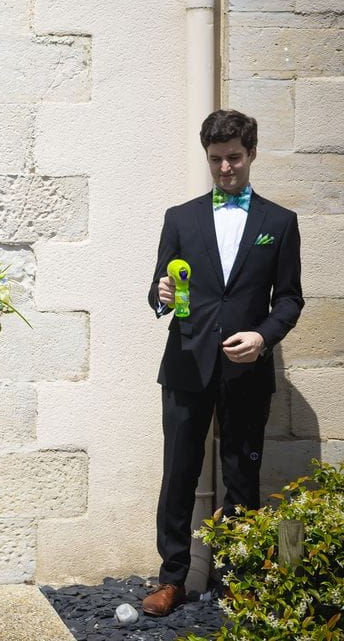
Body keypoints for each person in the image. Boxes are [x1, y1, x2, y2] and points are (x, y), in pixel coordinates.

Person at [141, 109, 303, 617]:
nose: (226, 168)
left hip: (247, 369)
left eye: (234, 158)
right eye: (216, 160)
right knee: (179, 473)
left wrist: (263, 336)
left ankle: (236, 577)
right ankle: (172, 579)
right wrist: (163, 292)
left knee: (240, 476)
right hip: (187, 364)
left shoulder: (280, 222)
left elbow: (292, 300)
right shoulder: (180, 218)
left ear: (251, 154)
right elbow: (156, 293)